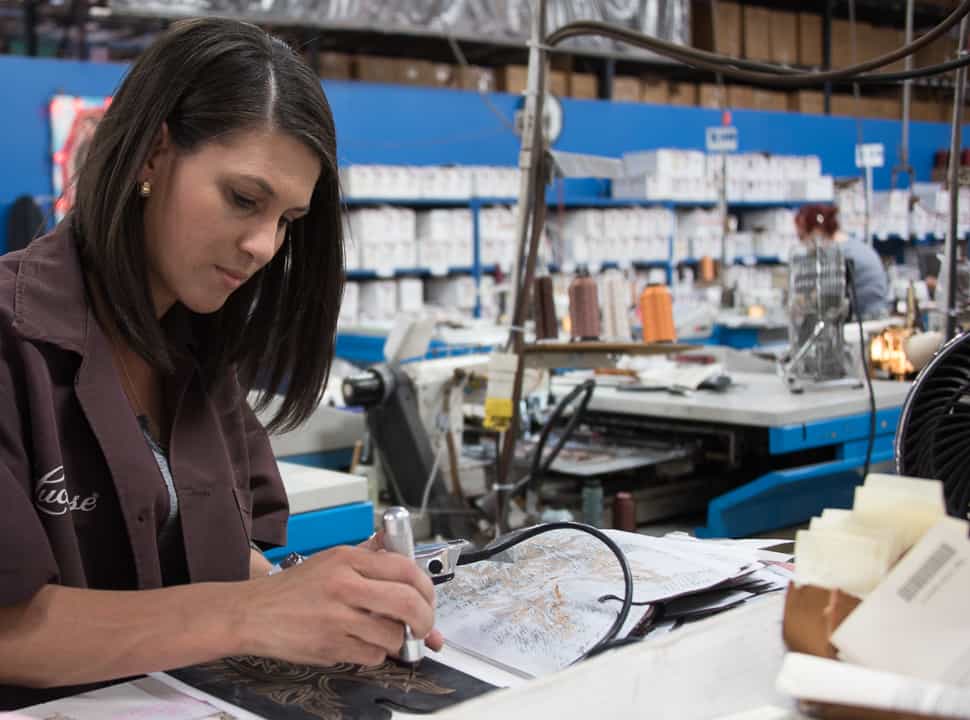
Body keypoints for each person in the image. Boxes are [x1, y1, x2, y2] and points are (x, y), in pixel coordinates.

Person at [0, 18, 441, 711]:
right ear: (152, 153)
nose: (265, 245)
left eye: (288, 220)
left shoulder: (203, 355)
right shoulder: (10, 342)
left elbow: (224, 550)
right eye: (243, 199)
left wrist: (324, 596)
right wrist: (251, 612)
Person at [794, 204, 890, 320]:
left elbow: (826, 302)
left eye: (802, 236)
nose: (803, 243)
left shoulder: (837, 253)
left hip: (864, 319)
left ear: (816, 231)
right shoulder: (854, 245)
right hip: (877, 314)